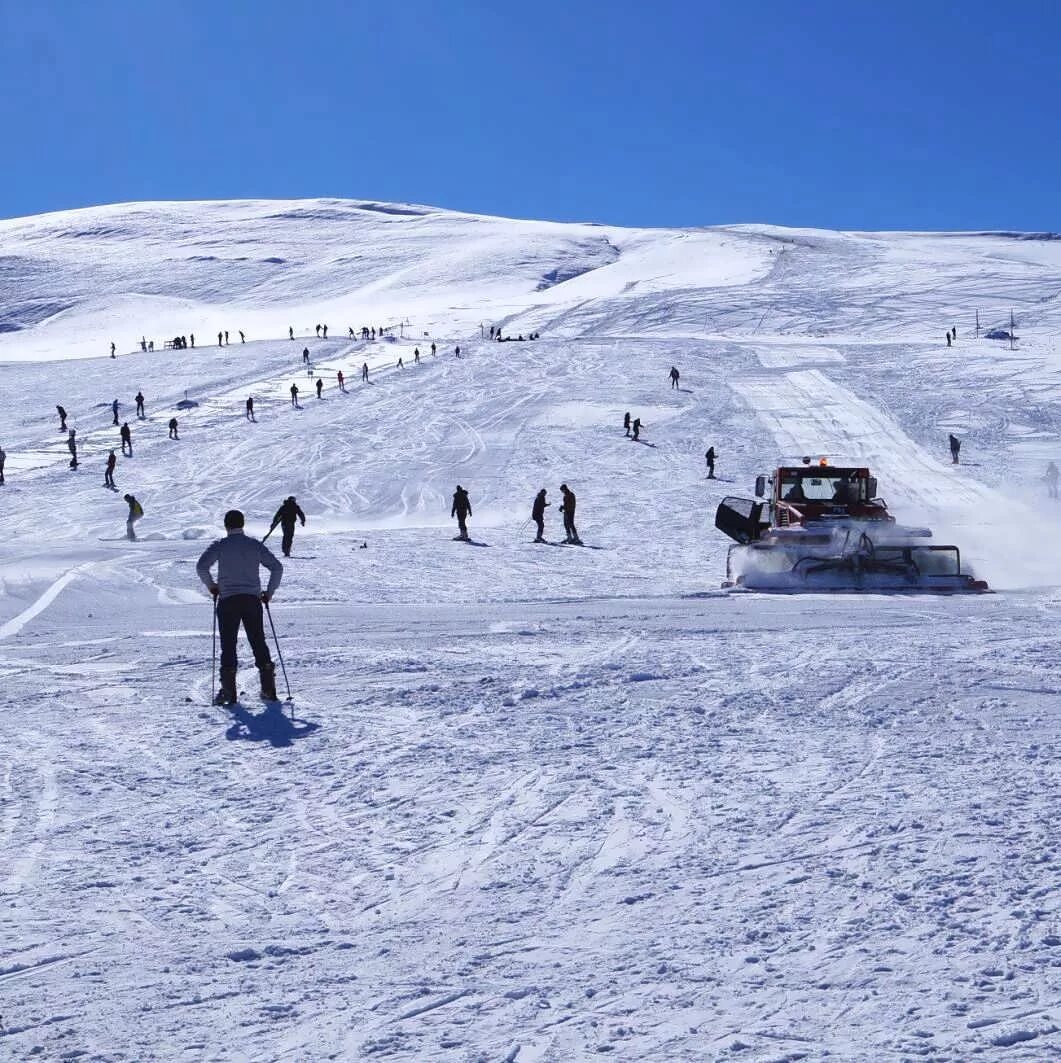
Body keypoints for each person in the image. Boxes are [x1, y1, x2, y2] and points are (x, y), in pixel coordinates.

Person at [196, 509, 283, 705]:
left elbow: (202, 566)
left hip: (228, 600)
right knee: (258, 642)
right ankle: (268, 689)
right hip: (252, 600)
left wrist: (212, 586)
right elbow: (277, 567)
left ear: (226, 525)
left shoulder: (220, 545)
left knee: (228, 645)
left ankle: (228, 693)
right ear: (242, 524)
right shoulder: (254, 545)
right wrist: (269, 592)